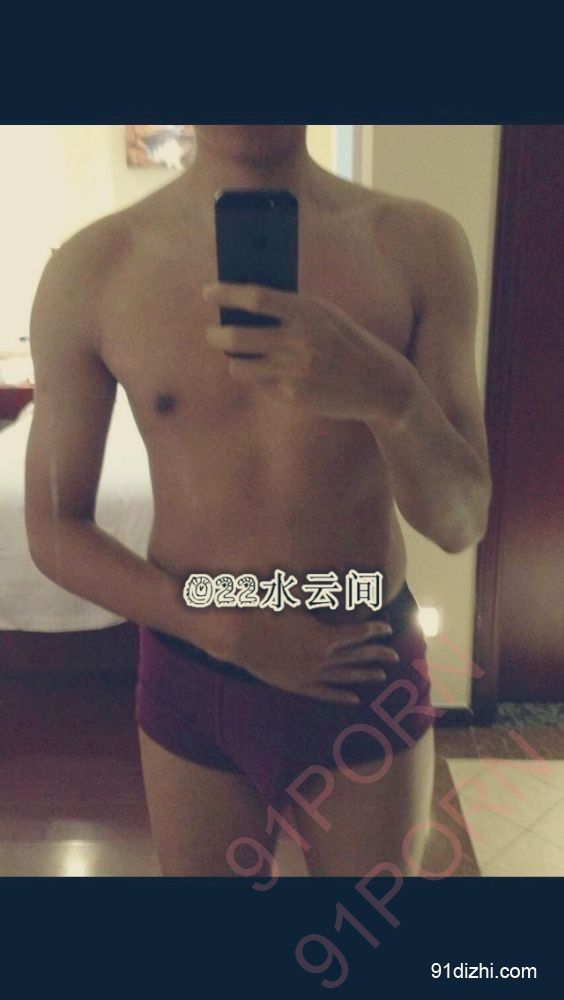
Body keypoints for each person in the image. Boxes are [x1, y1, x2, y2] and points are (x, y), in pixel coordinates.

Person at [25, 125, 492, 877]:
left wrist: (394, 399)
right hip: (195, 662)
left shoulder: (418, 246)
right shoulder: (94, 268)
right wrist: (222, 632)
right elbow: (52, 530)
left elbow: (460, 521)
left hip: (362, 657)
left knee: (364, 935)